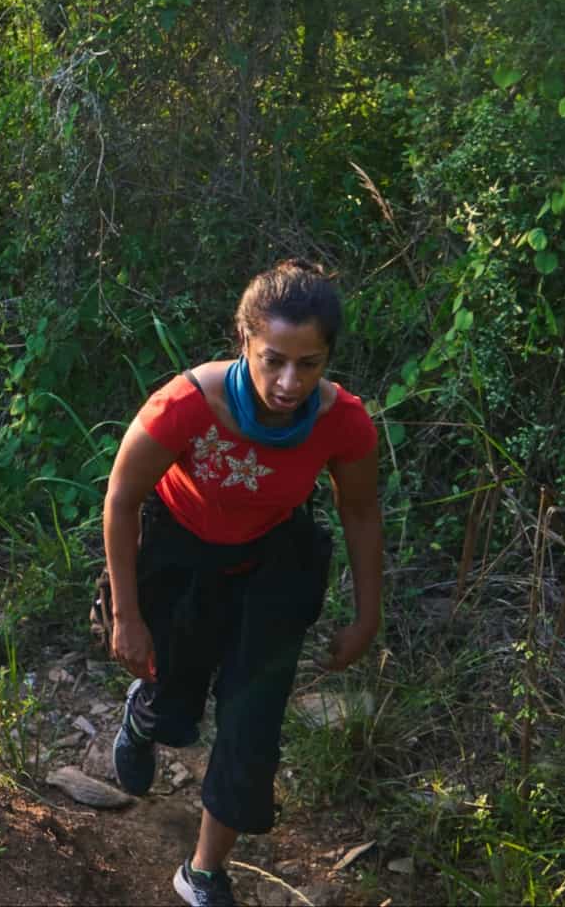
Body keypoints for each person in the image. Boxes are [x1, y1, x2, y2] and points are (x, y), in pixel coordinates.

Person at [101, 260, 384, 907]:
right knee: (174, 694)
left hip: (272, 562)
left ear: (327, 359)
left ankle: (201, 872)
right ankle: (146, 719)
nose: (290, 382)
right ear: (244, 343)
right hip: (177, 552)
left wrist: (367, 617)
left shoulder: (342, 422)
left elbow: (361, 513)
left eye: (309, 364)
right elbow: (121, 500)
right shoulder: (185, 405)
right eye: (273, 359)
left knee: (252, 724)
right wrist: (126, 614)